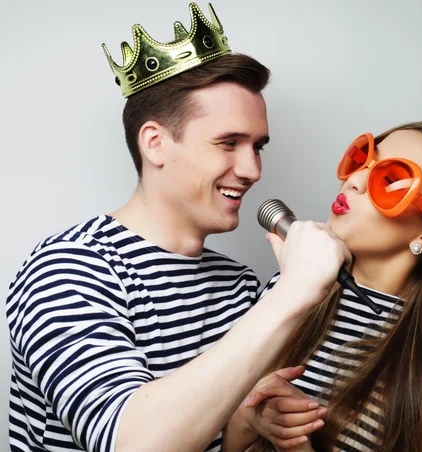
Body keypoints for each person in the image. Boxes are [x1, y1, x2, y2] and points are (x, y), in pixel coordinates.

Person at [5, 4, 349, 451]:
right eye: (228, 143)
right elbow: (132, 444)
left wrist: (249, 425)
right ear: (155, 143)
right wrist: (292, 293)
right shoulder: (68, 269)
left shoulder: (239, 286)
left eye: (257, 147)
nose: (252, 170)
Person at [237, 121, 422, 451]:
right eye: (361, 160)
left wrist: (296, 444)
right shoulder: (289, 286)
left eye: (390, 180)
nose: (354, 181)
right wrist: (247, 420)